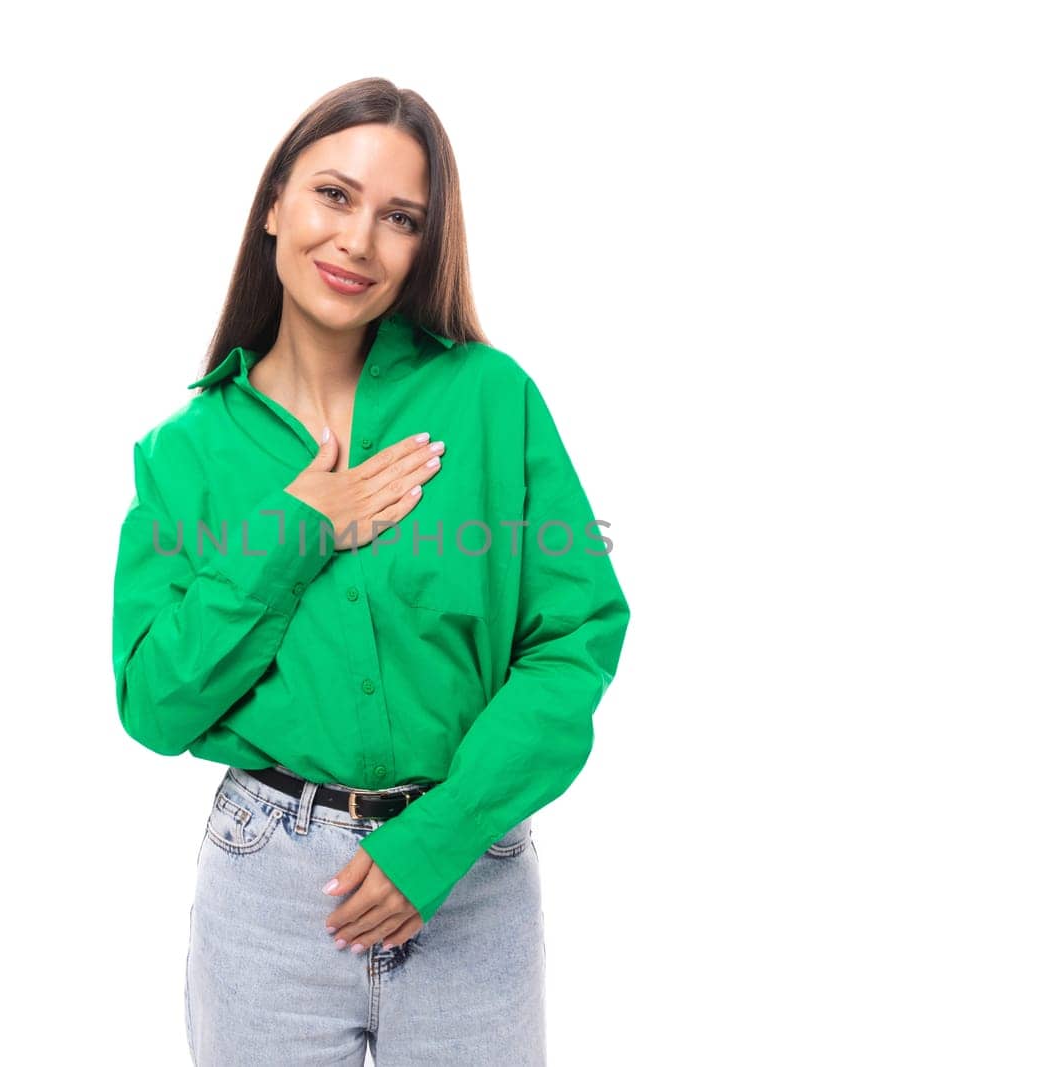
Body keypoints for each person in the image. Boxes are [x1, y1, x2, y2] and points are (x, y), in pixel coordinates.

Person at [111, 77, 630, 1066]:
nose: (357, 240)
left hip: (470, 874)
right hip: (267, 891)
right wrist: (300, 527)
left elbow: (573, 634)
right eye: (334, 196)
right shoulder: (183, 453)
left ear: (423, 246)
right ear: (274, 204)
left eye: (399, 217)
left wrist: (439, 836)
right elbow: (154, 701)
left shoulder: (489, 398)